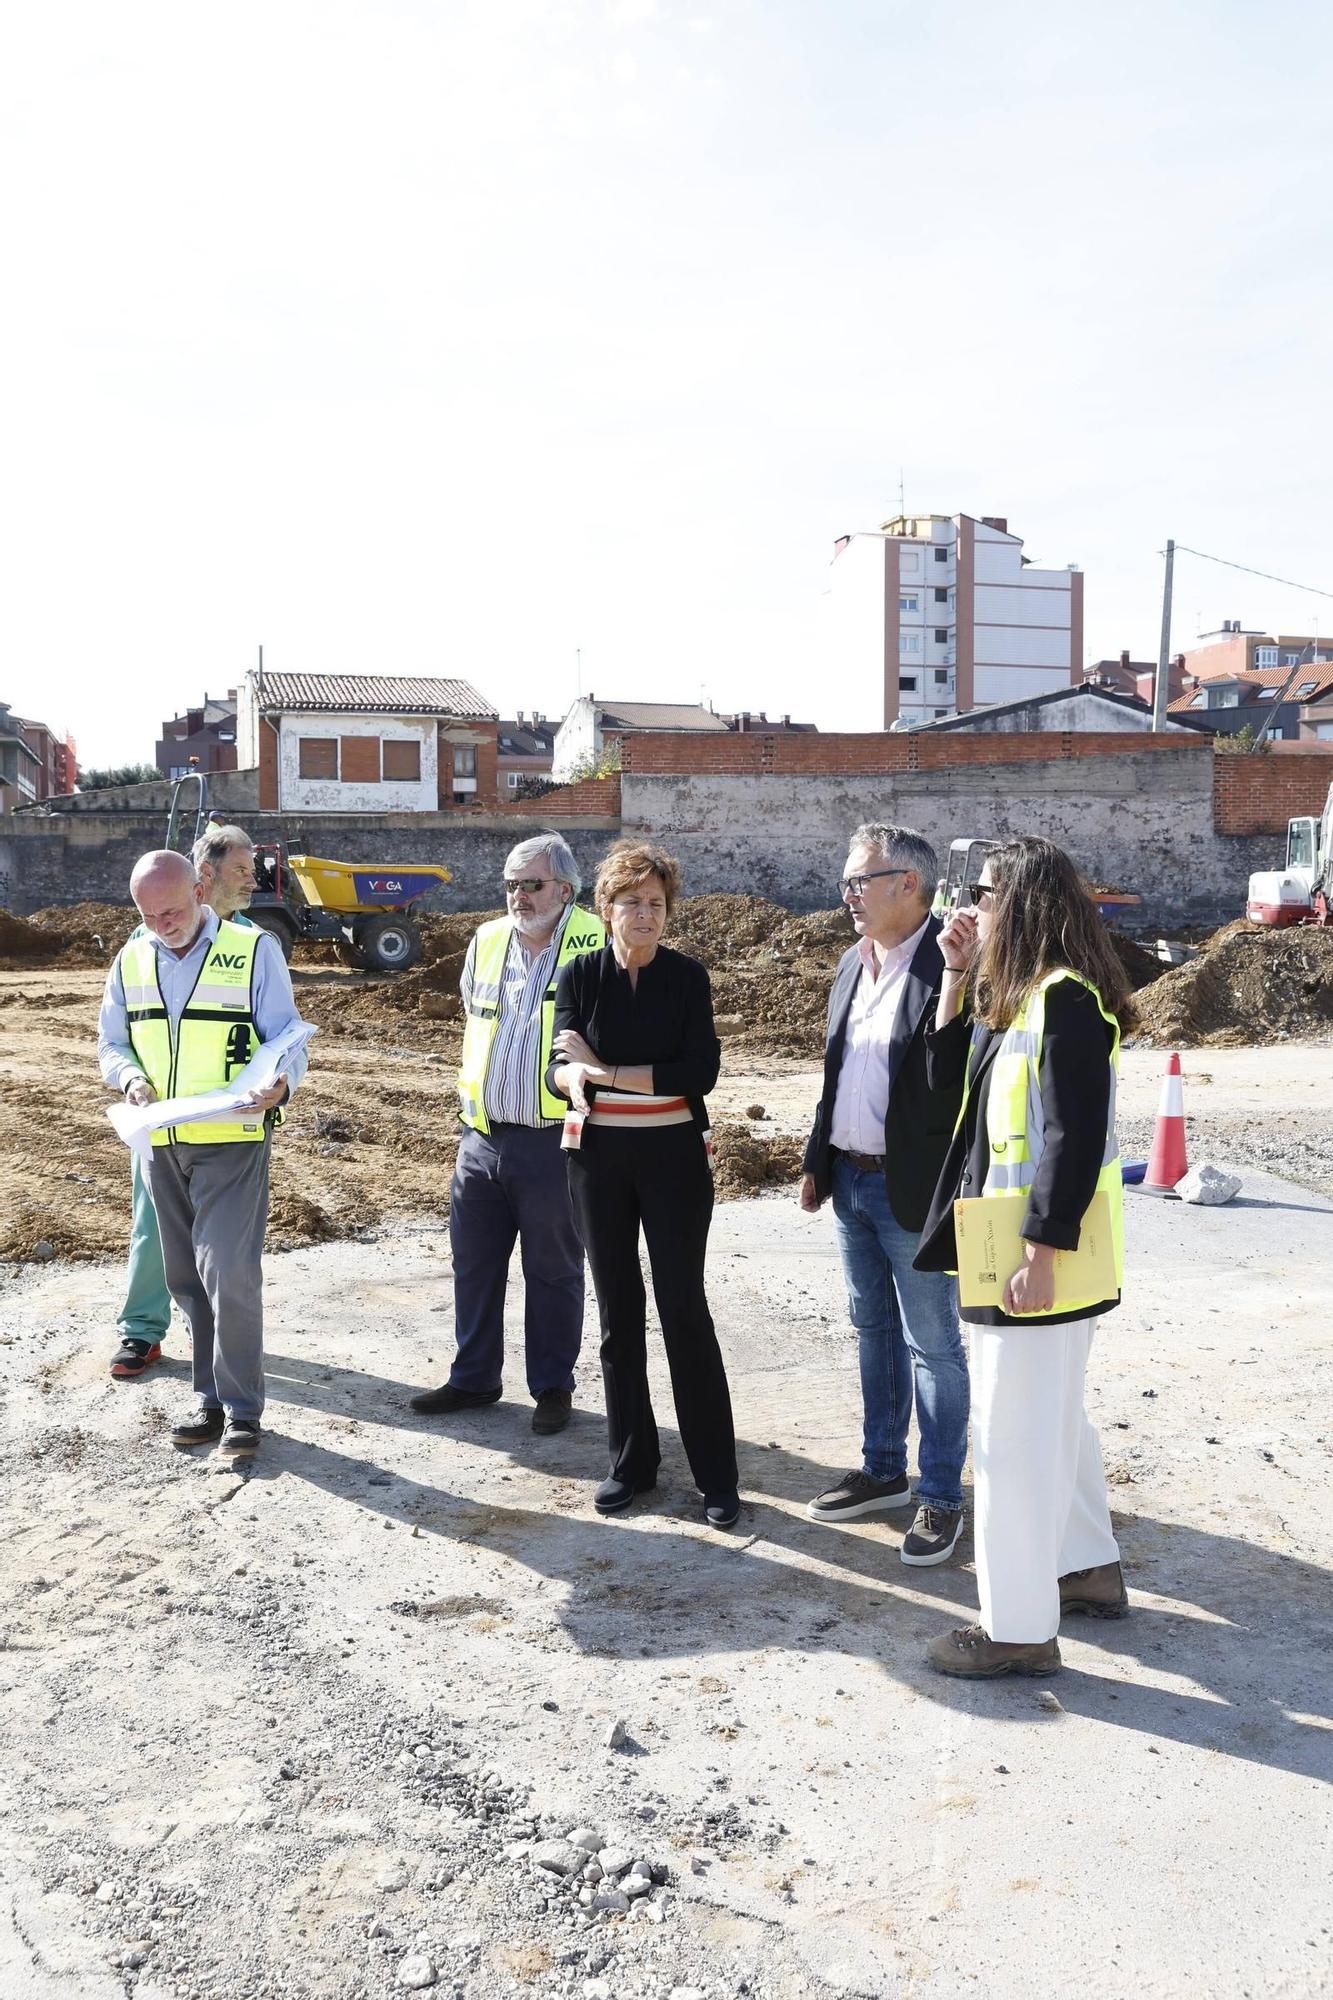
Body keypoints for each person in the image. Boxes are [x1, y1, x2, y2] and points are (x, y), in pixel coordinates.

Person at [914, 835, 1131, 1678]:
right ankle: (1086, 1569)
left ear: (1027, 903)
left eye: (985, 891)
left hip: (1036, 1260)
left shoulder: (1066, 1002)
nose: (971, 903)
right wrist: (956, 978)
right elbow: (942, 1089)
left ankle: (1016, 1629)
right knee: (1056, 1422)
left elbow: (1070, 1141)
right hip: (1008, 1251)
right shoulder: (1020, 1000)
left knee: (1007, 1439)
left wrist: (1040, 1254)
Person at [549, 840, 740, 1528]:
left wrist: (600, 1072)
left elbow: (698, 1074)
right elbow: (557, 1065)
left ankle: (717, 1477)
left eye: (656, 904)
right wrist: (575, 1074)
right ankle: (630, 1463)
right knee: (616, 1314)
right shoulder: (579, 976)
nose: (645, 915)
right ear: (604, 908)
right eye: (631, 902)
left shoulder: (686, 979)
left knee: (683, 1309)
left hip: (673, 1159)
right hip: (597, 1161)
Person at [798, 825, 970, 1566]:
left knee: (932, 1343)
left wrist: (960, 981)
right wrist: (816, 1159)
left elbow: (949, 1078)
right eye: (845, 881)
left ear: (909, 884)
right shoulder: (850, 962)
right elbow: (835, 1074)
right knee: (871, 1329)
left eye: (859, 881)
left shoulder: (952, 964)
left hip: (913, 1191)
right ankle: (881, 1470)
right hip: (848, 1179)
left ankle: (939, 1495)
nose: (847, 896)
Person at [98, 848, 306, 1454]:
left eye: (171, 909)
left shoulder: (253, 951)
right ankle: (210, 1400)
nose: (161, 924)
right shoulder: (131, 958)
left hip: (232, 1139)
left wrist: (280, 1086)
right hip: (161, 1140)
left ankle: (242, 1412)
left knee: (229, 1273)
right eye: (147, 913)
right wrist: (130, 1079)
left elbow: (289, 1039)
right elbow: (112, 1044)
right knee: (186, 1277)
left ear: (199, 885)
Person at [409, 836, 606, 1433]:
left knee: (553, 1269)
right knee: (473, 1263)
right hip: (482, 1137)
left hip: (555, 1139)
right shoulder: (487, 940)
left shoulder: (596, 942)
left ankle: (551, 1387)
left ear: (566, 890)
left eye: (533, 884)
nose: (519, 896)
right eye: (512, 885)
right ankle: (474, 1378)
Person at [106, 824, 260, 1381]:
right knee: (153, 1224)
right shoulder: (144, 939)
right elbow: (120, 1031)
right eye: (243, 868)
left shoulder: (249, 940)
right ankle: (143, 1330)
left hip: (226, 1129)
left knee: (224, 1248)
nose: (252, 879)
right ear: (207, 874)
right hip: (160, 1123)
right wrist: (132, 1079)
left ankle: (217, 1347)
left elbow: (274, 1034)